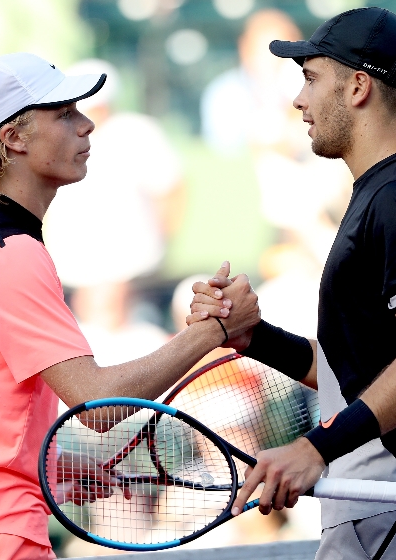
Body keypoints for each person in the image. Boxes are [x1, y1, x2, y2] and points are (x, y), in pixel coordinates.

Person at [0, 52, 260, 560]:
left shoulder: (1, 246)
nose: (87, 125)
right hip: (2, 531)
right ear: (14, 138)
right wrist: (213, 330)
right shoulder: (9, 254)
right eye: (64, 113)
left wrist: (56, 466)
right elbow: (99, 407)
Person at [189, 7, 396, 559]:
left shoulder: (394, 197)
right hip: (366, 503)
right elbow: (353, 371)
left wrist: (315, 447)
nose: (297, 101)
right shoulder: (376, 194)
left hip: (379, 503)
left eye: (310, 78)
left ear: (358, 86)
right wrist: (250, 335)